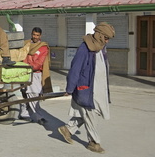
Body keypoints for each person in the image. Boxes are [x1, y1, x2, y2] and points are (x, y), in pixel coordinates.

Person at [58, 22, 115, 154]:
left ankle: (68, 130)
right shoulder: (85, 48)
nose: (107, 41)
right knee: (90, 116)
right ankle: (94, 143)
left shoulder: (101, 48)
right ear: (100, 35)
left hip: (97, 90)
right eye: (106, 38)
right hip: (86, 89)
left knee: (89, 114)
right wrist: (70, 88)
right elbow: (75, 69)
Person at [19, 27, 52, 125]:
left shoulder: (43, 47)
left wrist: (28, 66)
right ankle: (24, 114)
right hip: (24, 72)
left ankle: (38, 116)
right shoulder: (26, 44)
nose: (35, 37)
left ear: (40, 36)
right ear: (31, 34)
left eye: (37, 35)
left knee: (34, 94)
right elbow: (23, 57)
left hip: (36, 74)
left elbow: (39, 62)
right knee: (25, 94)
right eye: (34, 35)